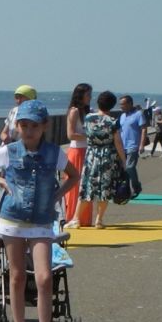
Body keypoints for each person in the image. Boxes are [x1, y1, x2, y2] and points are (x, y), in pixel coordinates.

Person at [0, 99, 78, 322]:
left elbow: (74, 175)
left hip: (42, 222)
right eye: (23, 125)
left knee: (44, 277)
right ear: (17, 126)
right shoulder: (10, 151)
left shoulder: (54, 153)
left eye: (34, 125)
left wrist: (57, 195)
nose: (29, 130)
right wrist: (0, 181)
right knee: (17, 276)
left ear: (44, 126)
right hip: (13, 220)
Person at [78, 89, 126, 229]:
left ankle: (77, 218)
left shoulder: (88, 118)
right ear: (112, 105)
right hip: (108, 156)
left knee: (87, 186)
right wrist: (123, 160)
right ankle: (99, 219)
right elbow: (118, 142)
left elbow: (86, 134)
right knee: (104, 187)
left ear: (98, 103)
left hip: (92, 154)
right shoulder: (113, 122)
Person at [63, 84, 92, 224]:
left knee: (86, 185)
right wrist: (90, 136)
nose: (90, 98)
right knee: (75, 184)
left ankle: (83, 217)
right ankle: (72, 216)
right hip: (77, 150)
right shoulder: (74, 111)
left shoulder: (87, 111)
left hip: (86, 150)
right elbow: (71, 134)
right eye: (87, 95)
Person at [117, 94, 147, 199]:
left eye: (123, 104)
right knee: (122, 170)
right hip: (122, 146)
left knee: (130, 167)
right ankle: (125, 190)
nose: (121, 106)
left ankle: (136, 187)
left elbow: (143, 129)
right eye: (120, 104)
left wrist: (142, 145)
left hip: (133, 145)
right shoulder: (122, 116)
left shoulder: (138, 114)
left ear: (130, 104)